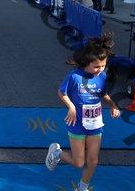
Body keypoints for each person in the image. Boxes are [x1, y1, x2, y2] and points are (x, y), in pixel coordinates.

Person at [45, 33, 120, 191]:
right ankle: (57, 153)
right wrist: (71, 107)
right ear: (87, 63)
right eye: (96, 66)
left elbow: (103, 94)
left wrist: (113, 105)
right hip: (77, 124)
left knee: (93, 161)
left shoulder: (102, 76)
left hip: (95, 124)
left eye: (103, 66)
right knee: (79, 163)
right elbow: (61, 92)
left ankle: (82, 187)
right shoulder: (74, 76)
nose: (100, 70)